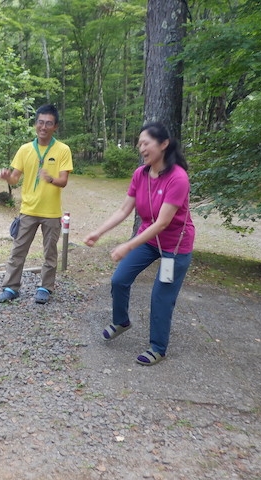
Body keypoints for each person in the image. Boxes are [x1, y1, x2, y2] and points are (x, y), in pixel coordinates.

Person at [83, 122, 195, 366]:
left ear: (163, 144)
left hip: (172, 249)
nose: (141, 148)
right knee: (119, 279)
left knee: (161, 296)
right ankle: (121, 321)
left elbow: (163, 223)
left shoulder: (178, 178)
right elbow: (124, 210)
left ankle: (158, 347)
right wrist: (98, 232)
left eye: (146, 143)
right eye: (139, 144)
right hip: (149, 240)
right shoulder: (140, 174)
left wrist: (128, 245)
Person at [0, 104, 73, 304]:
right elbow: (15, 179)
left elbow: (63, 181)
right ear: (35, 124)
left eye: (49, 123)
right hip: (28, 209)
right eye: (40, 122)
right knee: (18, 251)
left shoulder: (63, 150)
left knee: (50, 252)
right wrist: (7, 177)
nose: (44, 127)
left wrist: (50, 179)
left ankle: (45, 288)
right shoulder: (24, 150)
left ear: (55, 126)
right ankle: (11, 287)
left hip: (51, 212)